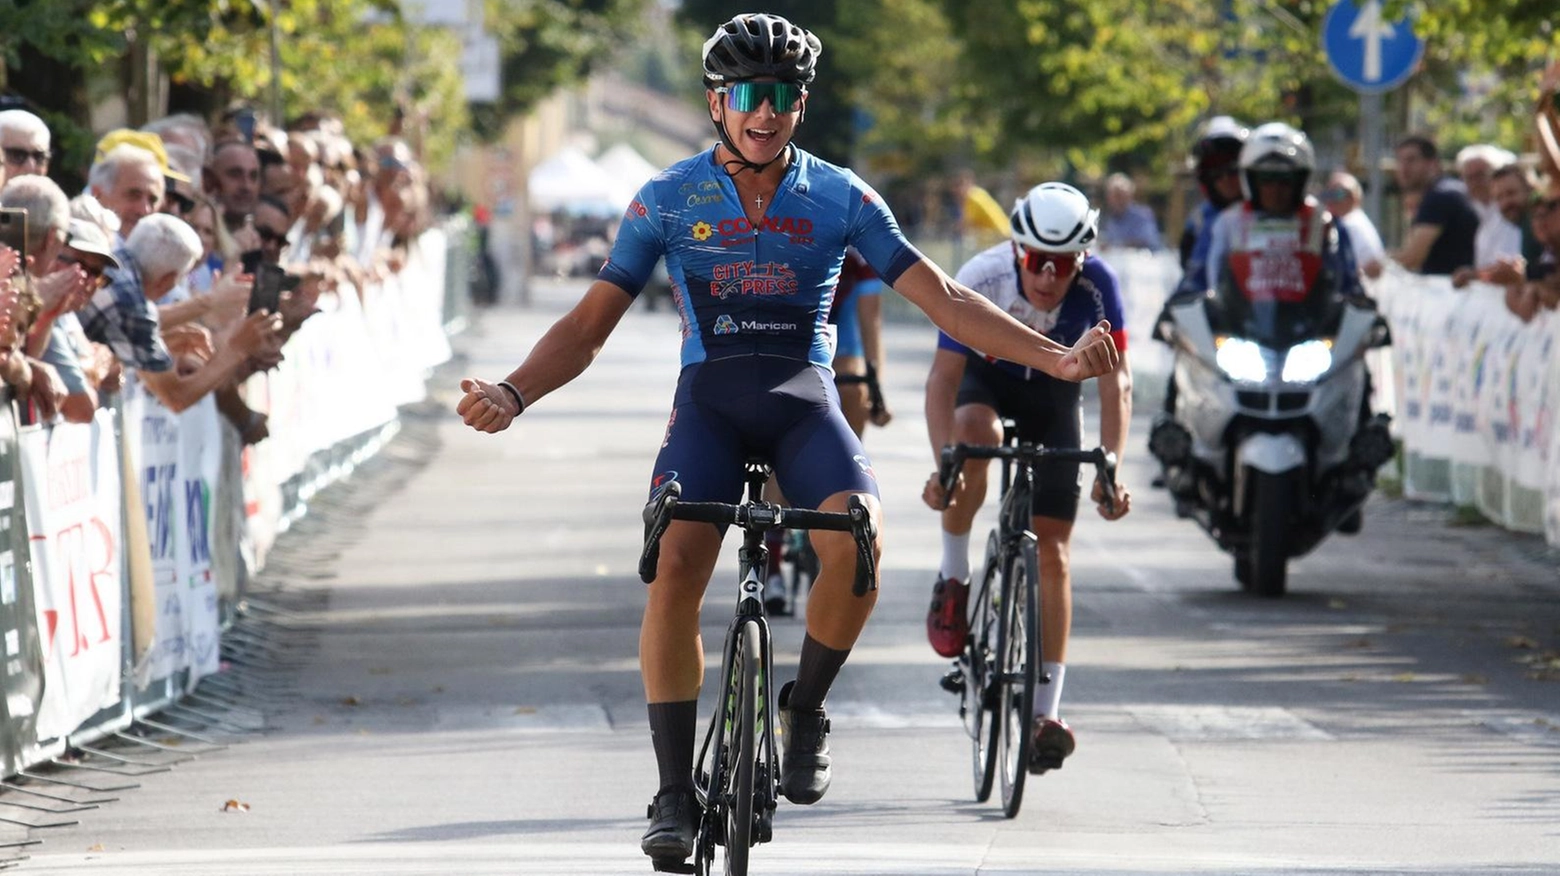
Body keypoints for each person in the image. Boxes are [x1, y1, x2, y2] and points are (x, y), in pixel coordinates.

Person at [453, 12, 1119, 867]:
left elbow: (948, 300)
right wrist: (514, 391)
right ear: (715, 102)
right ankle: (671, 791)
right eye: (746, 96)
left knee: (861, 540)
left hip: (804, 399)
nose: (763, 113)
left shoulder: (842, 196)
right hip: (711, 402)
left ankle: (804, 708)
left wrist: (1061, 361)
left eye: (780, 97)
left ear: (800, 104)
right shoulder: (667, 198)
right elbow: (588, 328)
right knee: (676, 566)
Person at [921, 182, 1132, 774]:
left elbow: (1116, 385)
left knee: (1055, 554)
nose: (1047, 277)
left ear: (1081, 261)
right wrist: (947, 463)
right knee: (975, 439)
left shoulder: (1099, 290)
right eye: (1037, 262)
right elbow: (942, 380)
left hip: (1053, 396)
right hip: (986, 385)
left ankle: (1045, 714)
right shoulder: (981, 275)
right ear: (1017, 253)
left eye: (1061, 265)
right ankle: (954, 576)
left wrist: (1110, 466)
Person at [1389, 134, 1480, 276]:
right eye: (1399, 161)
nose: (1403, 168)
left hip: (1453, 292)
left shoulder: (1440, 196)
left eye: (1411, 160)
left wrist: (1377, 262)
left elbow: (1412, 259)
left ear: (1432, 163)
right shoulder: (1446, 189)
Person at [1178, 116, 1248, 291]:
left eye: (1232, 171)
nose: (1226, 180)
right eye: (1216, 174)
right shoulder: (1201, 220)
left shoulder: (1266, 215)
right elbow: (1191, 280)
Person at [1319, 170, 1386, 277]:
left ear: (1354, 197)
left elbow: (1373, 268)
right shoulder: (1353, 221)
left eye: (1338, 194)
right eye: (1328, 194)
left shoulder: (1351, 224)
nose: (1331, 199)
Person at [1097, 172, 1162, 250]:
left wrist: (1117, 245)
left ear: (1130, 195)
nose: (1118, 200)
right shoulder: (1104, 217)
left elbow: (1147, 240)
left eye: (1121, 195)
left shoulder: (1143, 215)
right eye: (1114, 195)